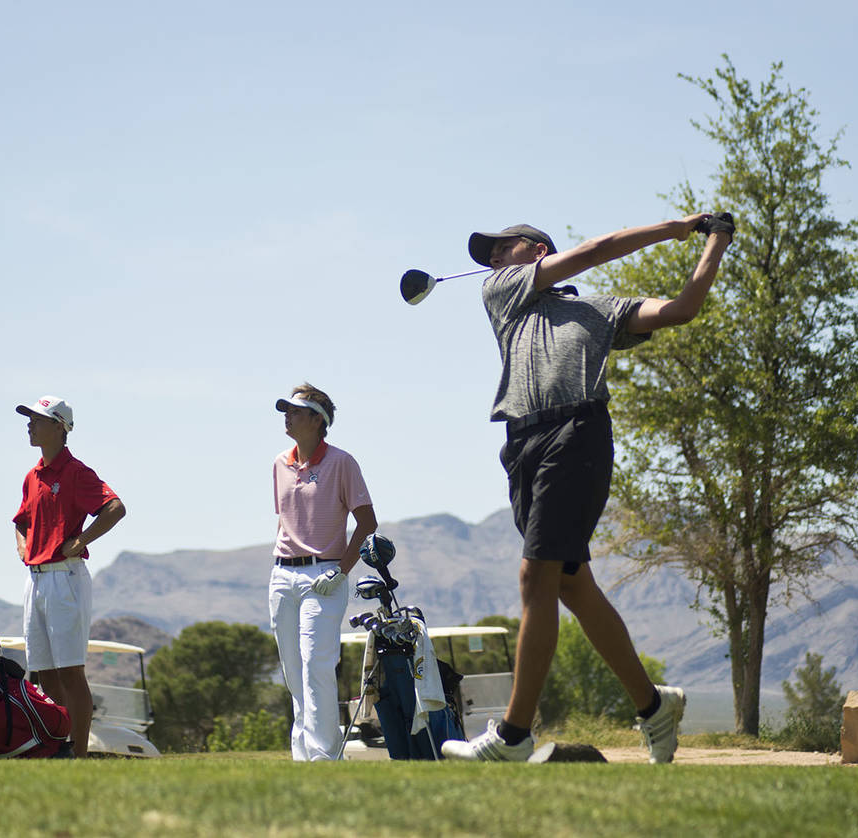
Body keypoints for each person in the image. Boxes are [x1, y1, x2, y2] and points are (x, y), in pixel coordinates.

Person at [440, 214, 735, 764]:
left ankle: (513, 737)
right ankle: (654, 707)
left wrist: (709, 238)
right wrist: (678, 226)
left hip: (578, 435)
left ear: (538, 249)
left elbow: (682, 308)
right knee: (572, 586)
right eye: (490, 253)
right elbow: (595, 250)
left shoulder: (600, 311)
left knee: (536, 575)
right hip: (522, 444)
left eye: (504, 246)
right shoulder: (503, 292)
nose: (494, 257)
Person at [13, 395, 126, 757]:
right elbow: (21, 521)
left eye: (37, 419)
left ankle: (77, 755)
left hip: (66, 578)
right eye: (29, 419)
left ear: (60, 427)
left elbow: (114, 508)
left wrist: (82, 540)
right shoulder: (32, 476)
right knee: (45, 673)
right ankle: (57, 748)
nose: (30, 425)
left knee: (70, 672)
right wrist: (22, 545)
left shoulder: (76, 472)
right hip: (35, 579)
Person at [271, 383, 378, 760]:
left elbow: (367, 523)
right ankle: (303, 755)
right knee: (293, 670)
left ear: (318, 420)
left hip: (326, 576)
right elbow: (286, 521)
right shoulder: (279, 463)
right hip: (282, 576)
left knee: (316, 663)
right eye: (286, 410)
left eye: (295, 411)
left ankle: (324, 757)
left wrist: (341, 571)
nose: (287, 416)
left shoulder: (342, 462)